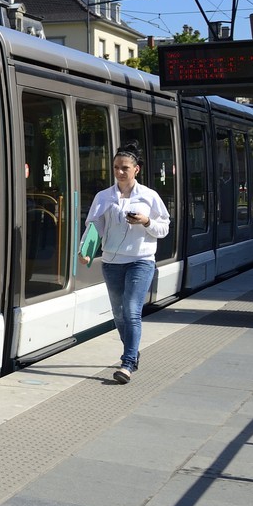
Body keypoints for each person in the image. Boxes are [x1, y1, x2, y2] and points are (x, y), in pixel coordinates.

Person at [81, 142, 171, 384]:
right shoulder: (104, 197)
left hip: (141, 261)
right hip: (111, 262)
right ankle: (133, 350)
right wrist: (86, 250)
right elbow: (94, 226)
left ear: (136, 170)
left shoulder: (149, 196)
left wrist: (146, 221)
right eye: (116, 168)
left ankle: (127, 362)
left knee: (131, 310)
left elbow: (163, 228)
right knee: (119, 314)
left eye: (125, 168)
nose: (120, 172)